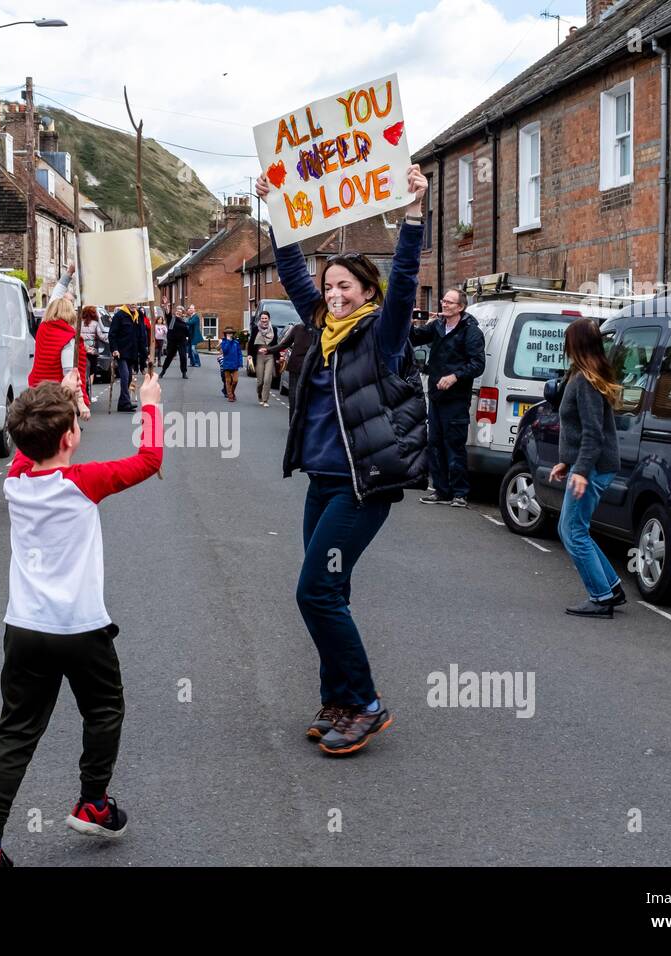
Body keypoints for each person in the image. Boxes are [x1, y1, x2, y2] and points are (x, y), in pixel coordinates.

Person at [256, 164, 429, 757]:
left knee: (315, 592)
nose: (333, 295)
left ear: (367, 294)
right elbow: (288, 272)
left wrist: (411, 214)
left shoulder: (382, 335)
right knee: (335, 590)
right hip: (322, 485)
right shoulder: (320, 329)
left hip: (363, 488)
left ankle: (366, 702)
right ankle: (338, 700)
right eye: (328, 287)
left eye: (344, 288)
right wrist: (278, 208)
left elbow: (405, 277)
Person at [0, 369, 164, 867]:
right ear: (73, 435)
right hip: (80, 628)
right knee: (103, 711)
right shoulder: (84, 482)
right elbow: (150, 458)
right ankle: (92, 802)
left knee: (14, 733)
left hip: (25, 628)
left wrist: (59, 403)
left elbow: (28, 446)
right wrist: (151, 403)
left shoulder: (15, 483)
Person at [551, 318, 625, 619]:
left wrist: (580, 471)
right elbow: (582, 431)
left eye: (568, 341)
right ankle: (612, 587)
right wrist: (567, 462)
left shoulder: (585, 381)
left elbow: (594, 435)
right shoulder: (586, 375)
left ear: (576, 344)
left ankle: (601, 598)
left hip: (593, 468)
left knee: (572, 531)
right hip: (590, 465)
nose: (565, 347)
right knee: (575, 528)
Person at [409, 289, 486, 508]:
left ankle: (459, 493)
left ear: (460, 307)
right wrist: (410, 321)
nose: (444, 304)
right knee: (434, 443)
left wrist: (454, 376)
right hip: (436, 396)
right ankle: (441, 491)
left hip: (456, 398)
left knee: (454, 445)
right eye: (443, 300)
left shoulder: (470, 332)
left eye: (449, 302)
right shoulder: (437, 326)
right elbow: (413, 339)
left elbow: (478, 364)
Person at [29, 294, 91, 420]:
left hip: (38, 391)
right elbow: (70, 375)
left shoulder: (42, 329)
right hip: (58, 397)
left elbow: (55, 296)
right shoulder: (67, 338)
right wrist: (81, 402)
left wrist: (67, 275)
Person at [276, 318, 316, 422]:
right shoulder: (298, 328)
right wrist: (269, 350)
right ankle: (293, 422)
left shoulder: (319, 329)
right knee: (294, 396)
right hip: (297, 367)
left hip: (311, 367)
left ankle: (300, 422)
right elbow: (284, 344)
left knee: (305, 396)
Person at [108, 304, 139, 412]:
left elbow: (138, 335)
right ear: (127, 303)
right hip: (121, 352)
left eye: (136, 302)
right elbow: (112, 334)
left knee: (129, 377)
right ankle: (126, 402)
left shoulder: (136, 315)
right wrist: (114, 349)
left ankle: (122, 404)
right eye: (132, 302)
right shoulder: (119, 316)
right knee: (125, 376)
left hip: (131, 352)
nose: (134, 304)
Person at [248, 310, 279, 407]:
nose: (264, 320)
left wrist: (278, 357)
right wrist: (249, 355)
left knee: (267, 379)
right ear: (260, 319)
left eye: (266, 318)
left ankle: (265, 400)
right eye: (262, 318)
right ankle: (260, 396)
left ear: (269, 319)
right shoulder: (255, 329)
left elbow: (276, 345)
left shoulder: (274, 329)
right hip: (258, 356)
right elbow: (251, 343)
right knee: (260, 381)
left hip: (270, 356)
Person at [159, 306, 191, 379]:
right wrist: (167, 310)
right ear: (175, 312)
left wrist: (188, 331)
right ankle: (163, 371)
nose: (178, 312)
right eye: (177, 311)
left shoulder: (184, 321)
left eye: (180, 312)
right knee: (169, 357)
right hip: (173, 342)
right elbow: (168, 316)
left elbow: (187, 333)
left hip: (181, 342)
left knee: (183, 357)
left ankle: (184, 373)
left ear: (182, 313)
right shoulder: (173, 319)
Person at [80, 306, 106, 391]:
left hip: (81, 350)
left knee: (82, 369)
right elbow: (101, 336)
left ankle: (83, 385)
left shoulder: (79, 323)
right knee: (92, 371)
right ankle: (89, 387)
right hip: (92, 351)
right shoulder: (95, 324)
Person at [218, 326, 243, 402]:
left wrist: (240, 362)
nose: (229, 334)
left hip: (235, 364)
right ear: (225, 334)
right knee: (228, 381)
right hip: (227, 364)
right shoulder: (224, 342)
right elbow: (225, 351)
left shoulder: (236, 342)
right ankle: (230, 396)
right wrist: (228, 341)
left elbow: (239, 353)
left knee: (235, 380)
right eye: (228, 333)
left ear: (233, 334)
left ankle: (232, 392)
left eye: (231, 333)